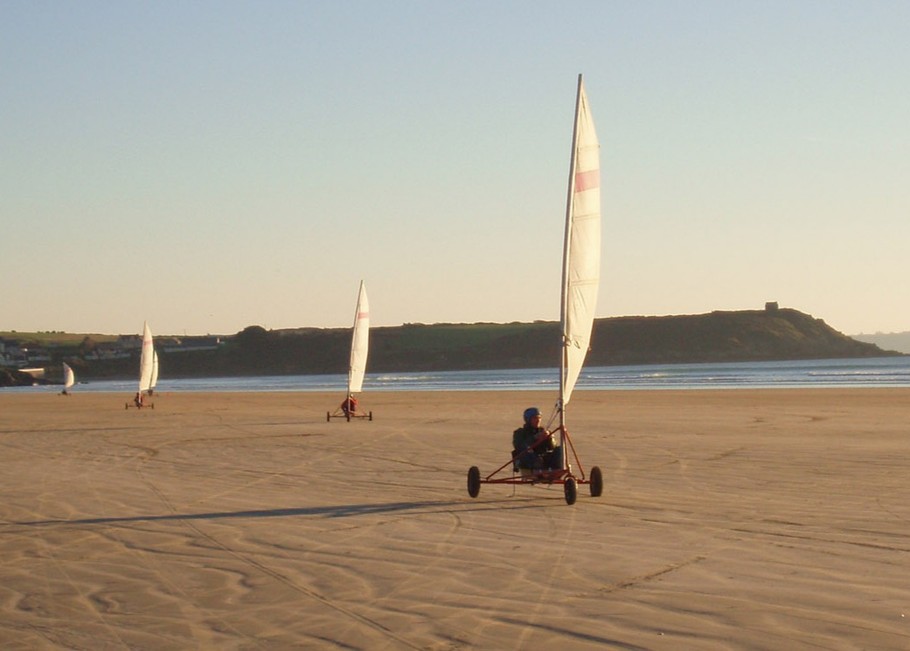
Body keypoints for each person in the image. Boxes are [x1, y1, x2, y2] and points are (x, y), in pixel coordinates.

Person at [512, 407, 563, 473]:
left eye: (539, 418)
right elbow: (519, 446)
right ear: (528, 420)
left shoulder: (542, 431)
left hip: (543, 460)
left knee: (560, 449)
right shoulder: (520, 432)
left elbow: (552, 447)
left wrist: (550, 439)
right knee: (527, 450)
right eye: (535, 418)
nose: (538, 420)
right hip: (529, 461)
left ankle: (556, 470)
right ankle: (539, 469)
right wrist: (535, 438)